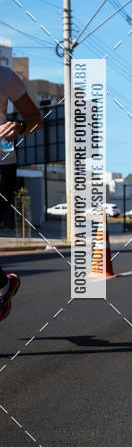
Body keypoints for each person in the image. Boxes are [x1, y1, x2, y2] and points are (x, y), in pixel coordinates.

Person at [0, 66, 42, 320]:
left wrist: (20, 127)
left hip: (1, 166)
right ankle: (4, 285)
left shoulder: (4, 76)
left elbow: (35, 119)